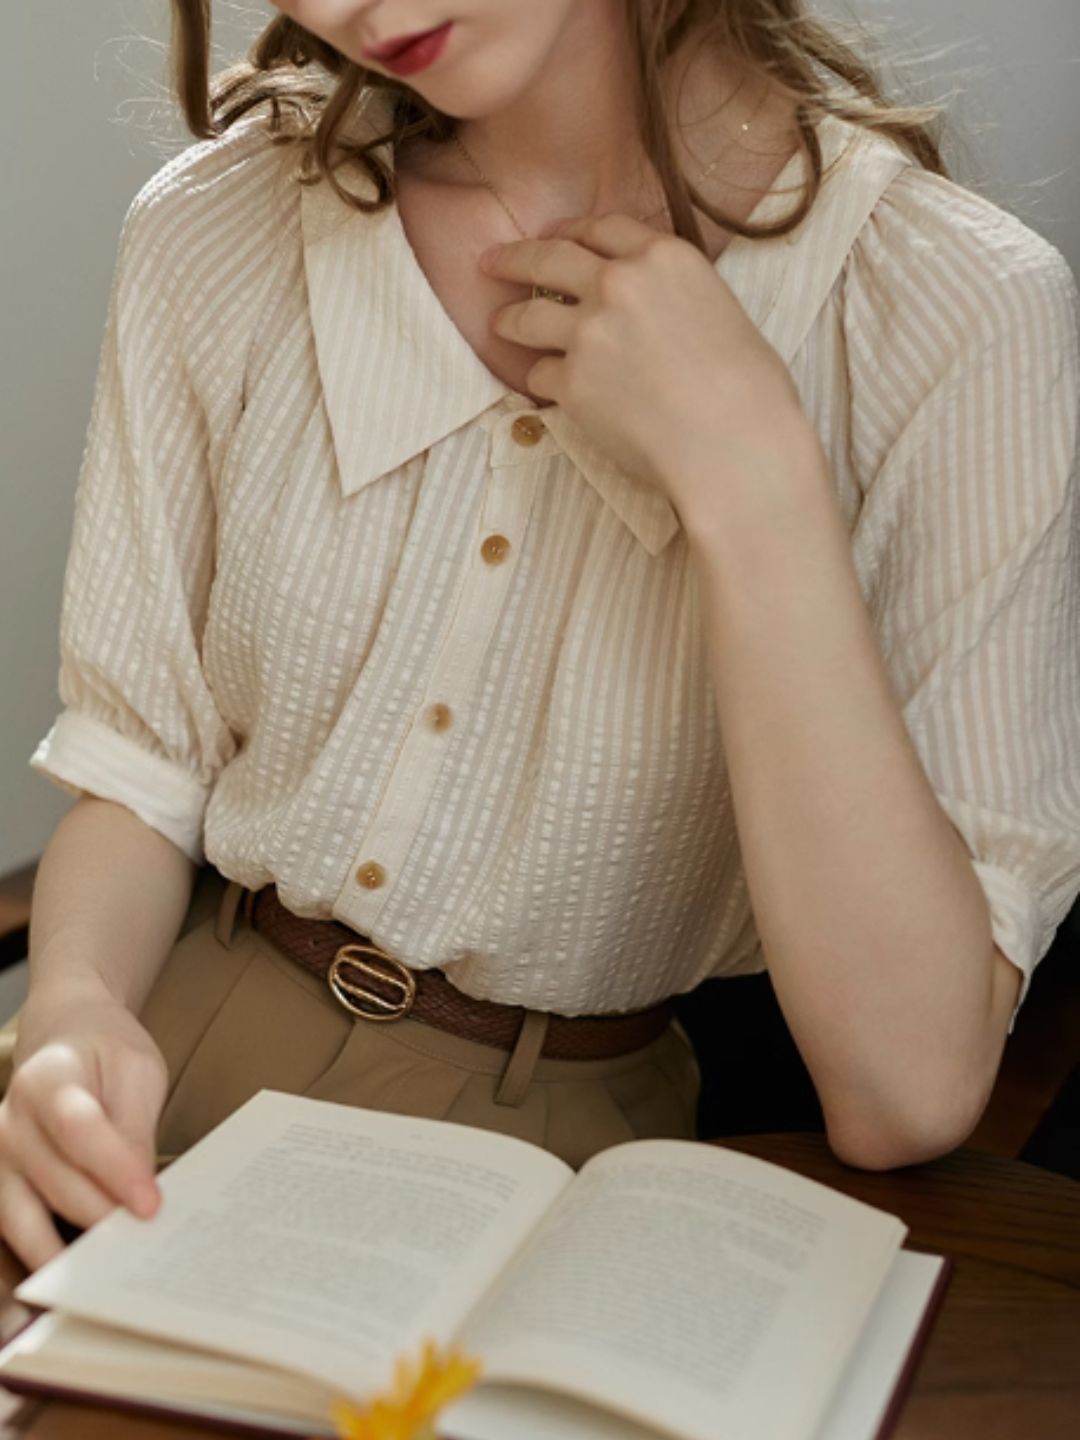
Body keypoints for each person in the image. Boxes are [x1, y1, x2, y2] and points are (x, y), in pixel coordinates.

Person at [2, 0, 1078, 1274]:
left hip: (575, 1178)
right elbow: (140, 774)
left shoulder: (957, 312)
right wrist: (70, 1007)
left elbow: (907, 1092)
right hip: (167, 1086)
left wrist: (753, 475)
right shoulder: (219, 222)